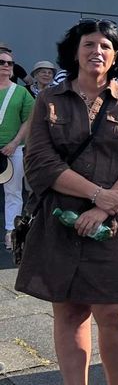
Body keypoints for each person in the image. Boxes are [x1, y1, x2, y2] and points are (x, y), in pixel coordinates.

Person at [16, 19, 118, 385]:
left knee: (113, 311)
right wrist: (95, 194)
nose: (97, 51)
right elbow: (40, 163)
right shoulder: (49, 100)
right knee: (70, 311)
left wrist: (104, 206)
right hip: (60, 222)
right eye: (89, 44)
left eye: (106, 46)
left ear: (115, 57)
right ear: (74, 53)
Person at [0, 49, 35, 249]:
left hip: (13, 150)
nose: (6, 66)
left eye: (10, 63)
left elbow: (28, 119)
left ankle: (11, 233)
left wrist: (14, 143)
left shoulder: (20, 92)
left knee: (13, 192)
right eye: (2, 62)